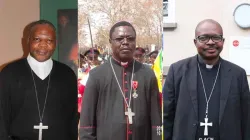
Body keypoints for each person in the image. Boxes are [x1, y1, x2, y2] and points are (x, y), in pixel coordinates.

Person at [163, 19, 250, 140]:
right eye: (203, 38)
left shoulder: (238, 74)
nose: (210, 42)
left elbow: (246, 118)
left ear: (223, 41)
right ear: (195, 42)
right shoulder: (177, 71)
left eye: (216, 38)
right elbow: (167, 115)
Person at [79, 21, 162, 140]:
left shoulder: (147, 74)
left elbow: (156, 119)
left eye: (130, 39)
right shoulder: (96, 75)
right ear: (110, 42)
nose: (125, 42)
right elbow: (86, 123)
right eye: (120, 39)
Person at [0, 20, 78, 140]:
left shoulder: (67, 74)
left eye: (49, 40)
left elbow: (72, 118)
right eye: (37, 39)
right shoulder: (9, 73)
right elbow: (2, 117)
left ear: (55, 43)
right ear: (28, 41)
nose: (43, 45)